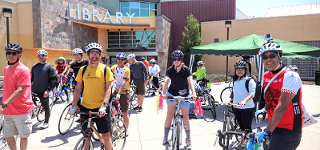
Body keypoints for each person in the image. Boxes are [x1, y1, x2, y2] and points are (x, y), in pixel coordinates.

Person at [255, 40, 303, 150]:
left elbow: (282, 107)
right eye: (265, 57)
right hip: (274, 126)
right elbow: (272, 100)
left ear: (280, 56)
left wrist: (267, 130)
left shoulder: (290, 76)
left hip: (288, 129)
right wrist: (265, 109)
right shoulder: (267, 76)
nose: (268, 59)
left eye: (272, 55)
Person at [68, 42, 114, 150]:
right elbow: (78, 88)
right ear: (88, 55)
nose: (94, 56)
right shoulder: (82, 70)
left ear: (100, 55)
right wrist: (74, 105)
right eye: (92, 53)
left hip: (101, 107)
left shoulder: (105, 69)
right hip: (85, 106)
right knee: (86, 136)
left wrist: (104, 105)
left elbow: (108, 89)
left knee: (106, 136)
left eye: (96, 53)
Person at [1, 43, 36, 150]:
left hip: (21, 110)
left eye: (13, 53)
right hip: (8, 110)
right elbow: (7, 87)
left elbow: (20, 90)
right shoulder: (7, 69)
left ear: (19, 55)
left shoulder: (24, 70)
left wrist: (5, 103)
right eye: (8, 53)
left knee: (23, 136)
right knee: (7, 135)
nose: (10, 55)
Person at [162, 50, 196, 150]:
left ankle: (188, 139)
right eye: (174, 59)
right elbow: (166, 80)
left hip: (184, 94)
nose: (176, 61)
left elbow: (190, 82)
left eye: (178, 59)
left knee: (185, 117)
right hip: (172, 93)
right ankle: (165, 138)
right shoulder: (170, 70)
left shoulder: (186, 70)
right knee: (169, 115)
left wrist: (193, 94)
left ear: (181, 60)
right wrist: (164, 92)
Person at [232, 60, 256, 148]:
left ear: (245, 70)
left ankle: (247, 144)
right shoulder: (235, 80)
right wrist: (232, 99)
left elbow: (252, 93)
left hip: (247, 107)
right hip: (237, 107)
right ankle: (244, 142)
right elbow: (235, 91)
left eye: (241, 69)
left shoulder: (249, 80)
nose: (239, 71)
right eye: (237, 69)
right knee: (242, 127)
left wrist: (244, 101)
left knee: (247, 128)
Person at [31, 50, 57, 129]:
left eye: (43, 55)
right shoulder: (35, 66)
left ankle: (46, 122)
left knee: (46, 107)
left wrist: (48, 90)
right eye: (39, 55)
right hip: (34, 89)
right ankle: (34, 112)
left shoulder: (50, 67)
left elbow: (53, 80)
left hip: (44, 91)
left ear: (46, 56)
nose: (41, 57)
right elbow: (31, 78)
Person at [110, 53, 130, 136]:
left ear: (125, 61)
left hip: (124, 92)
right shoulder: (114, 67)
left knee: (125, 112)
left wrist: (119, 94)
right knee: (111, 109)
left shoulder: (126, 70)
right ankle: (115, 120)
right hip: (116, 90)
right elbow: (107, 71)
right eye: (118, 59)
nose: (120, 60)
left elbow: (123, 83)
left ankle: (126, 129)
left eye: (122, 59)